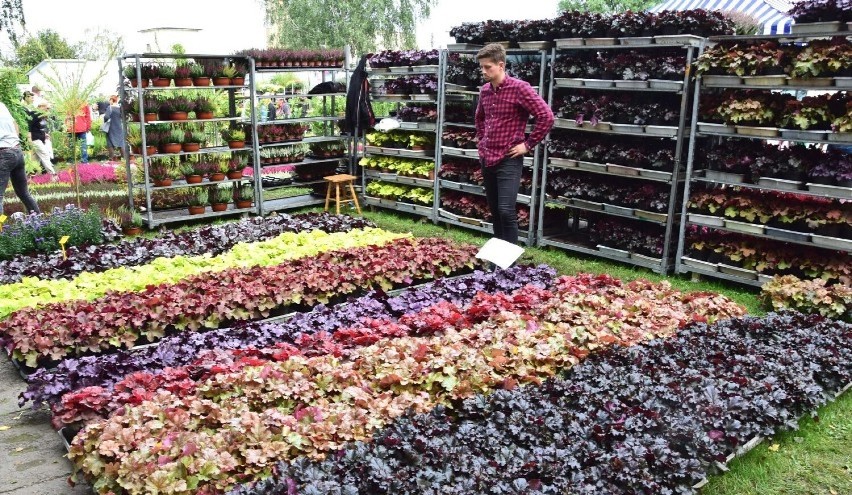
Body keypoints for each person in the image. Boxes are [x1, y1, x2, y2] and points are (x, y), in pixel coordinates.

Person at [474, 43, 553, 245]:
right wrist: (482, 141)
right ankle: (497, 261)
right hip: (487, 157)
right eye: (481, 67)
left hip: (509, 158)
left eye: (487, 67)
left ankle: (510, 265)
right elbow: (480, 118)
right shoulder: (485, 91)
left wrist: (527, 145)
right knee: (495, 211)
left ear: (501, 65)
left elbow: (546, 116)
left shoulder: (520, 88)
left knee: (506, 210)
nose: (483, 71)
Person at [0, 100, 40, 215]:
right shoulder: (2, 105)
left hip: (4, 153)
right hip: (16, 150)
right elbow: (15, 124)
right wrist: (13, 143)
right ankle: (38, 221)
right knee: (24, 193)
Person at [23, 92, 56, 176]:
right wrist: (29, 138)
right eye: (45, 107)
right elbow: (29, 126)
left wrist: (45, 134)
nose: (47, 109)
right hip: (35, 138)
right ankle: (53, 175)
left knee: (36, 159)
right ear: (40, 106)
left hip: (39, 138)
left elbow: (38, 127)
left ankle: (31, 175)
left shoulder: (41, 115)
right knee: (45, 154)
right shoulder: (35, 115)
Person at [103, 95, 124, 162]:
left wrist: (105, 121)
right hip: (119, 128)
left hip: (111, 128)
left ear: (112, 100)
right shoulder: (120, 108)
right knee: (121, 142)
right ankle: (124, 159)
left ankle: (111, 159)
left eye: (110, 100)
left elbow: (106, 117)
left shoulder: (110, 108)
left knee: (110, 143)